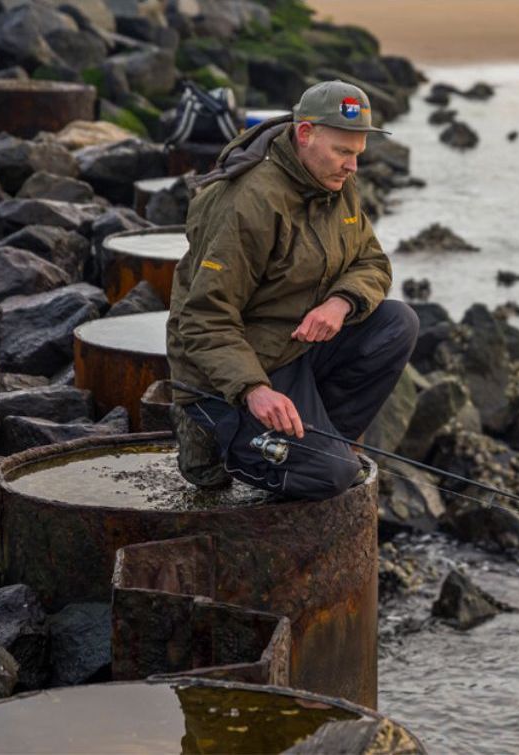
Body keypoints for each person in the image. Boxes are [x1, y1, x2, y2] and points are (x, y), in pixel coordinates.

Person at [166, 80, 419, 500]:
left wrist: (340, 303)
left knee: (398, 323)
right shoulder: (247, 202)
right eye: (343, 152)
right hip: (239, 367)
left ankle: (320, 444)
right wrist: (253, 390)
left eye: (357, 154)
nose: (353, 167)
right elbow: (203, 317)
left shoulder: (335, 182)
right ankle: (213, 439)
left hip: (297, 346)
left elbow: (372, 262)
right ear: (306, 134)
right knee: (331, 477)